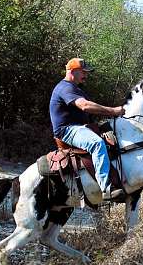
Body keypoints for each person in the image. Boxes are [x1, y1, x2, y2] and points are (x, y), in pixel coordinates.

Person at [49, 58, 125, 200]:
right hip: (67, 130)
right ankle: (106, 188)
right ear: (72, 71)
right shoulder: (65, 88)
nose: (86, 75)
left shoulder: (76, 88)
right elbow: (85, 106)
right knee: (97, 143)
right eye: (83, 72)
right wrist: (114, 111)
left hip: (79, 127)